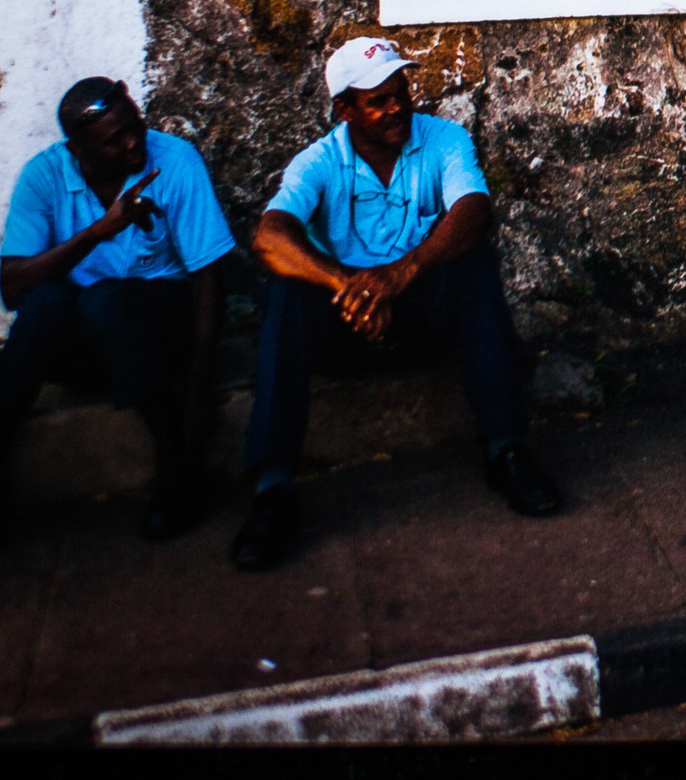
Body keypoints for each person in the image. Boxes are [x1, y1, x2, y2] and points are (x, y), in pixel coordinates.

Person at [232, 37, 559, 572]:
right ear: (345, 110)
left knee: (473, 263)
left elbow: (473, 210)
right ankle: (273, 490)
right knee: (285, 290)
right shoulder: (319, 161)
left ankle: (507, 450)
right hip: (346, 321)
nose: (396, 107)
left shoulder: (443, 140)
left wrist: (400, 273)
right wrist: (348, 284)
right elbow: (269, 236)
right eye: (377, 100)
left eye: (400, 92)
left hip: (418, 315)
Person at [0, 79, 235, 557]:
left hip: (157, 334)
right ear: (78, 150)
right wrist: (99, 231)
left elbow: (208, 276)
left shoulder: (175, 160)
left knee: (106, 300)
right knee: (45, 303)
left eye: (135, 127)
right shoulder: (43, 177)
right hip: (90, 344)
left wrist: (200, 384)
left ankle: (177, 464)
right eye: (115, 140)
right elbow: (13, 288)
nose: (133, 142)